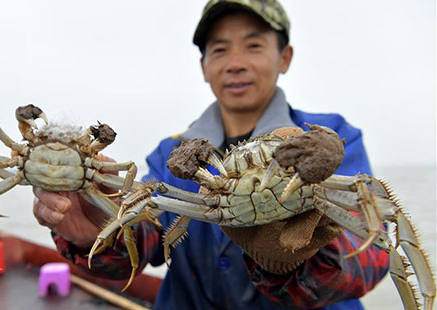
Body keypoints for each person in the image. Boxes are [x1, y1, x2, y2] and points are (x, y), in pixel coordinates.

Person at [33, 1, 389, 309]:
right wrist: (96, 228)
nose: (235, 63)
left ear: (285, 57)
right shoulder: (176, 156)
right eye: (219, 50)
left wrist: (299, 255)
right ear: (203, 66)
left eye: (253, 45)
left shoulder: (326, 141)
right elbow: (149, 234)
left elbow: (373, 251)